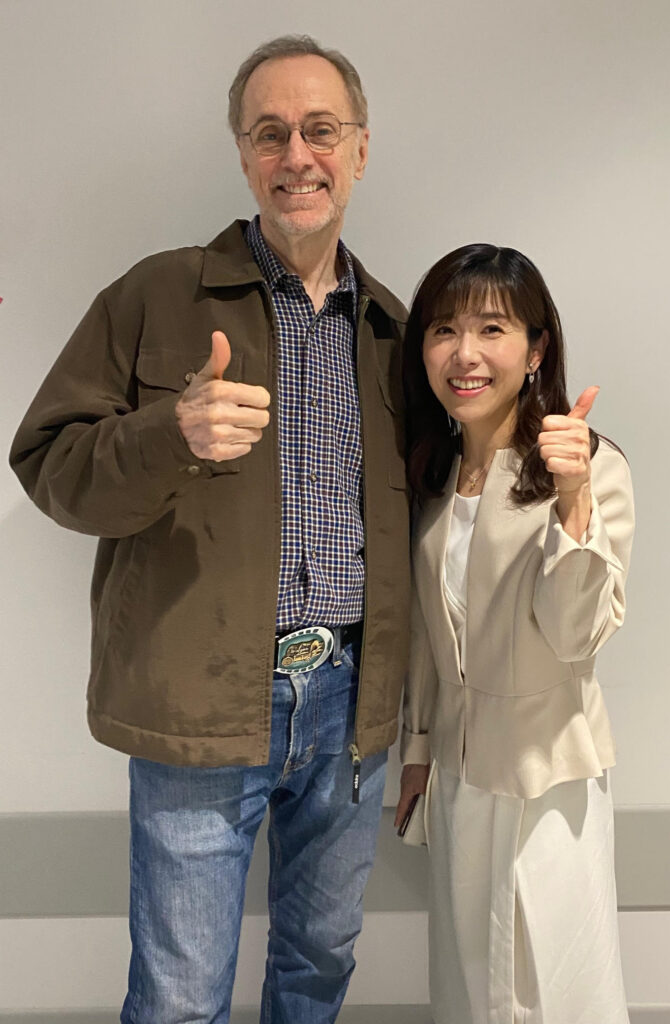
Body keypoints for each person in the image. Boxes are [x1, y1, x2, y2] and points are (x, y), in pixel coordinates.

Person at [10, 35, 410, 1024]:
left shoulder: (395, 331)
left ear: (361, 149)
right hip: (203, 701)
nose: (296, 155)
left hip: (352, 706)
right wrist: (169, 433)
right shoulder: (157, 296)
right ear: (242, 154)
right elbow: (47, 463)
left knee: (319, 965)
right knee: (182, 997)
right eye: (270, 133)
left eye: (320, 130)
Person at [395, 244, 634, 1024]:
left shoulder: (588, 465)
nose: (464, 353)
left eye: (491, 329)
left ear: (535, 351)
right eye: (444, 330)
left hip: (548, 774)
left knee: (550, 990)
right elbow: (427, 638)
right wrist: (418, 753)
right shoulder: (432, 477)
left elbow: (576, 635)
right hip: (460, 778)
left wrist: (572, 502)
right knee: (468, 989)